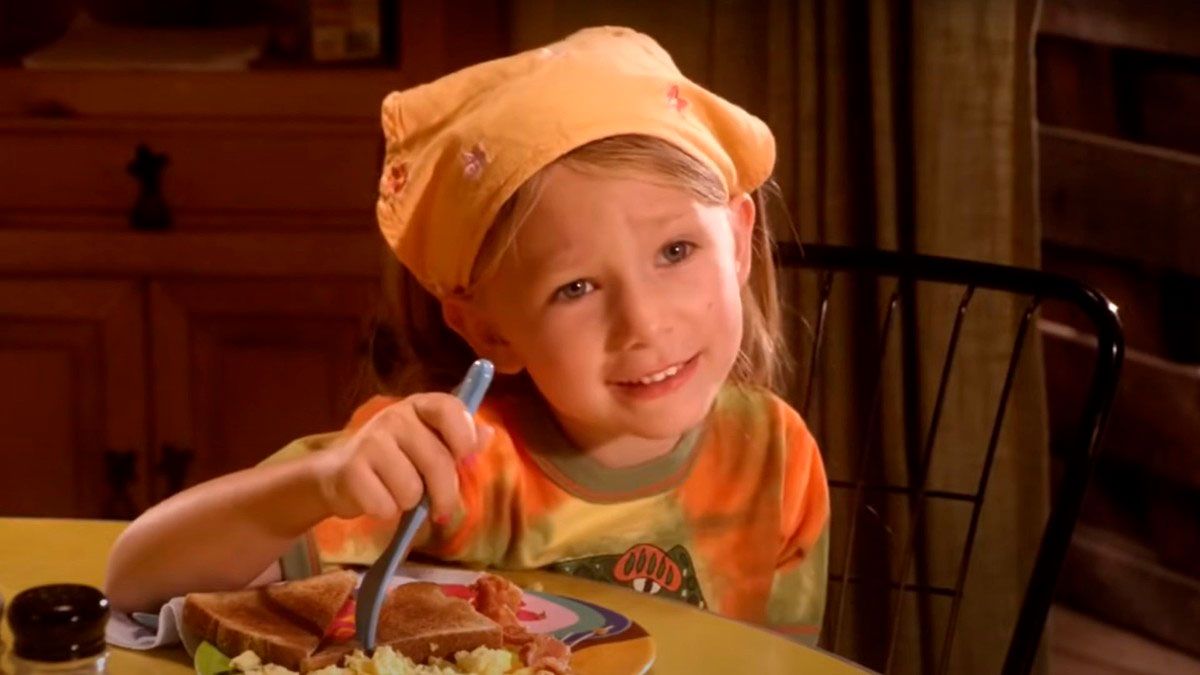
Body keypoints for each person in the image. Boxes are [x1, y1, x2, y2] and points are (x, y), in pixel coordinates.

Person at [106, 26, 830, 641]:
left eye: (676, 251)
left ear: (739, 240)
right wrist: (321, 482)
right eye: (576, 288)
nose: (644, 323)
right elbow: (138, 580)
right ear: (488, 329)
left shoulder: (780, 457)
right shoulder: (445, 463)